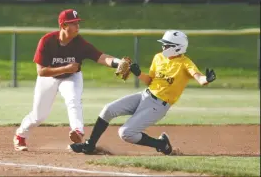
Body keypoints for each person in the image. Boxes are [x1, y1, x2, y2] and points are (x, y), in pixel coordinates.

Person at [69, 30, 217, 155]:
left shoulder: (185, 63)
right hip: (144, 95)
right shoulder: (158, 57)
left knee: (126, 133)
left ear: (177, 47)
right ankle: (90, 145)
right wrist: (138, 73)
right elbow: (150, 80)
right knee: (108, 109)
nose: (164, 46)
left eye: (167, 44)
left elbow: (199, 77)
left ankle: (161, 144)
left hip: (158, 105)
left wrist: (207, 79)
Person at [13, 9, 130, 151]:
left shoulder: (80, 43)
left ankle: (78, 132)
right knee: (39, 115)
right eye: (73, 23)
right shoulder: (47, 41)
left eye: (77, 23)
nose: (77, 26)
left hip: (71, 77)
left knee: (73, 100)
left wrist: (118, 62)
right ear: (63, 26)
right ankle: (20, 136)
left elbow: (101, 57)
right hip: (48, 77)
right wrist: (65, 68)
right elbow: (41, 71)